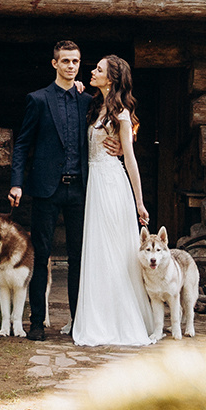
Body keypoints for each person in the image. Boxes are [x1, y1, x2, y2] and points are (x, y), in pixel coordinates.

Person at [70, 54, 161, 347]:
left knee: (112, 251)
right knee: (97, 250)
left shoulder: (120, 114)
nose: (92, 71)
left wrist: (140, 202)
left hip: (111, 185)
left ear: (111, 78)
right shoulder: (96, 106)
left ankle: (117, 321)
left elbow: (130, 160)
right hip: (95, 184)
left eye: (98, 69)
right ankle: (97, 315)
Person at [9, 40, 90, 342]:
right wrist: (17, 182)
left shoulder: (87, 101)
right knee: (41, 256)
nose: (71, 66)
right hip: (45, 189)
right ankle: (38, 322)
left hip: (79, 189)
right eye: (66, 61)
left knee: (78, 257)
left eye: (76, 61)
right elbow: (23, 145)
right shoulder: (38, 99)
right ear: (54, 63)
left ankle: (77, 321)